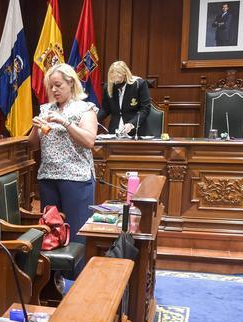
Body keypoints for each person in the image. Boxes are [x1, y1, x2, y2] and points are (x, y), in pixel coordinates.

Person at [28, 63, 98, 248]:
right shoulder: (46, 109)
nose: (54, 90)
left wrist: (66, 123)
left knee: (76, 232)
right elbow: (33, 145)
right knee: (51, 232)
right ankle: (53, 276)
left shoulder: (85, 108)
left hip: (76, 178)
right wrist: (35, 128)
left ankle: (76, 276)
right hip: (48, 177)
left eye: (58, 85)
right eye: (51, 86)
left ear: (71, 83)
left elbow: (89, 140)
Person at [97, 61, 151, 137]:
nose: (117, 83)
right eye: (114, 80)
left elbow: (145, 109)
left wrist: (132, 124)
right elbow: (105, 109)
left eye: (119, 79)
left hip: (136, 132)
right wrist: (94, 120)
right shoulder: (109, 87)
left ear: (125, 75)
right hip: (114, 131)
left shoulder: (139, 84)